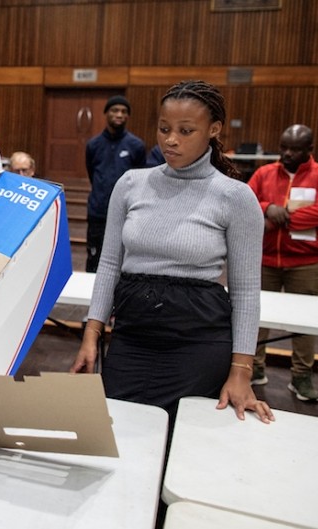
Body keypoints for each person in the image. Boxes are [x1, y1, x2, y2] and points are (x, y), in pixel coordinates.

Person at [69, 80, 274, 425]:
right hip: (132, 336)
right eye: (164, 129)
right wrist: (91, 335)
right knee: (121, 436)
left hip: (198, 342)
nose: (170, 140)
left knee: (181, 444)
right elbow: (108, 266)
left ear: (214, 129)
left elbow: (245, 292)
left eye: (185, 130)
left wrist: (241, 371)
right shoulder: (132, 184)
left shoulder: (235, 197)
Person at [247, 124, 318, 402]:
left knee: (303, 323)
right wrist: (267, 208)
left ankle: (301, 376)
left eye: (295, 149)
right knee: (256, 318)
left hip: (306, 262)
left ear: (309, 150)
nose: (287, 153)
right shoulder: (264, 173)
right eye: (284, 146)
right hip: (265, 259)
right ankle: (254, 368)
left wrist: (281, 217)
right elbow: (247, 199)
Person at [84, 95, 146, 272]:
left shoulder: (136, 145)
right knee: (94, 257)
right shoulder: (93, 145)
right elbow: (91, 173)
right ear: (106, 113)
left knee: (123, 260)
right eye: (115, 110)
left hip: (125, 213)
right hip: (98, 211)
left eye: (124, 111)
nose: (119, 114)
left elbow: (140, 178)